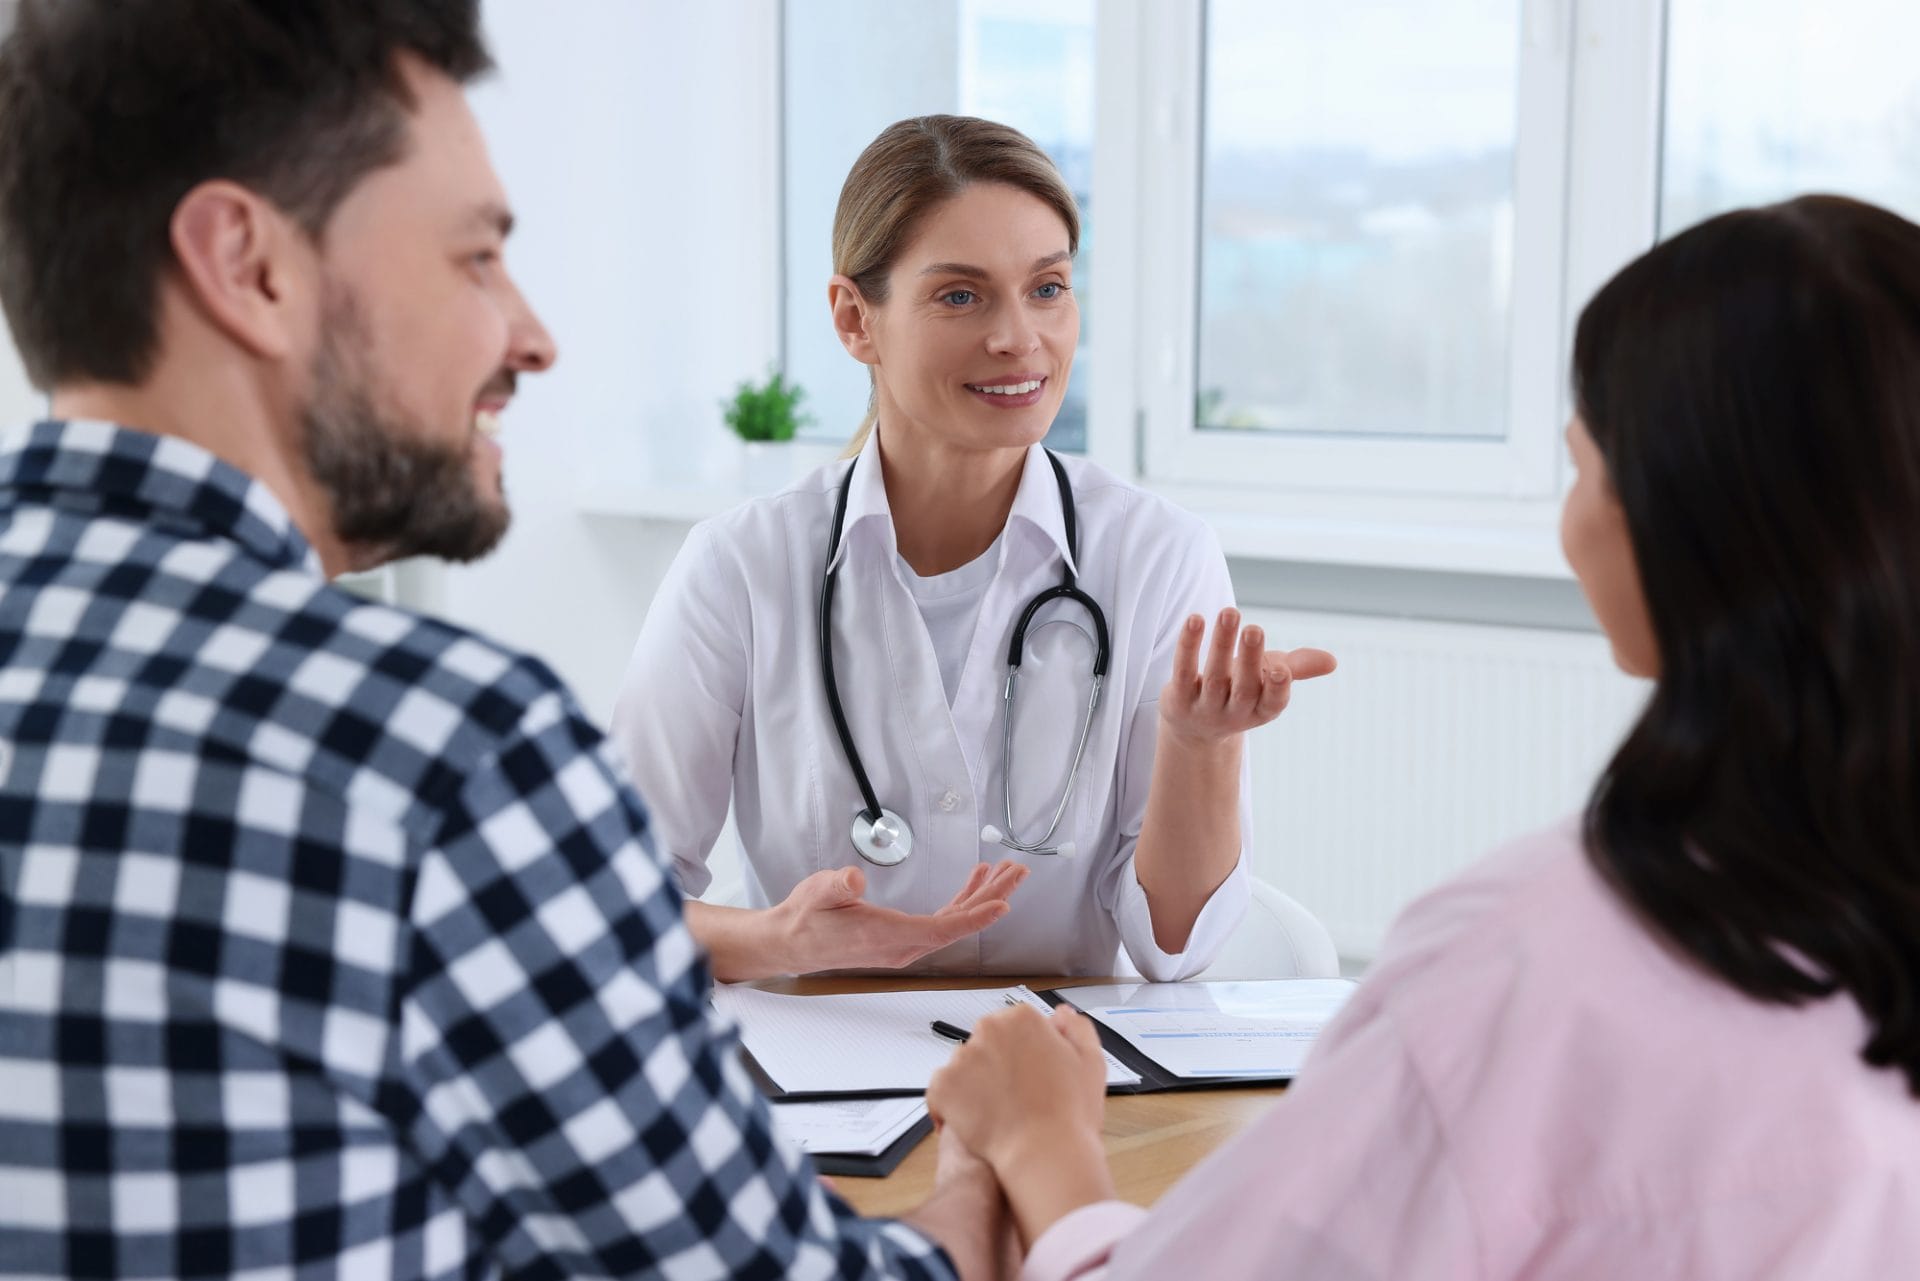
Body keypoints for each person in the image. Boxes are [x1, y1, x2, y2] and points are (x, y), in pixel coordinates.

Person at [0, 4, 1002, 1276]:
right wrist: (986, 1171)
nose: (529, 336)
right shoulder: (441, 753)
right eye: (475, 258)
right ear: (249, 266)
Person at [925, 194, 1920, 1278]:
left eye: (1584, 465)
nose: (1016, 333)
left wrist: (1042, 1143)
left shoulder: (1531, 963)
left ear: (1677, 521)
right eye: (962, 292)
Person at [611, 116, 1335, 983]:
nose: (1019, 338)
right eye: (961, 295)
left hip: (1063, 1085)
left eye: (1049, 289)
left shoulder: (1155, 553)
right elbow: (606, 907)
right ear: (855, 319)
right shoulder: (740, 567)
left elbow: (1172, 949)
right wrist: (779, 940)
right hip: (812, 1090)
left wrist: (1200, 746)